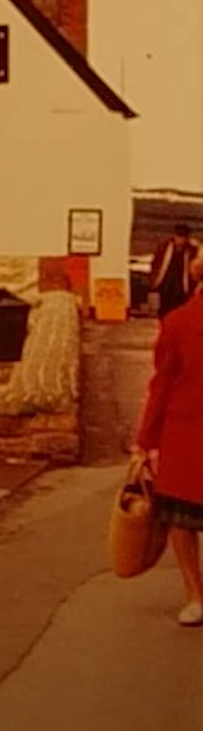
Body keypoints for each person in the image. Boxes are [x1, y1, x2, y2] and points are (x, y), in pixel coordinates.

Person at [133, 253, 203, 626]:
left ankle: (196, 597)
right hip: (188, 434)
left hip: (186, 435)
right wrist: (146, 439)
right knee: (183, 522)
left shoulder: (177, 322)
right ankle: (196, 596)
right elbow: (161, 385)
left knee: (183, 523)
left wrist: (145, 440)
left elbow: (160, 386)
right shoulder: (178, 323)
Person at [150, 224, 197, 319]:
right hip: (166, 284)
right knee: (164, 310)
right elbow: (156, 264)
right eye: (178, 237)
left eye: (182, 237)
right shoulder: (164, 247)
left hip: (182, 286)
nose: (179, 240)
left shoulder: (191, 250)